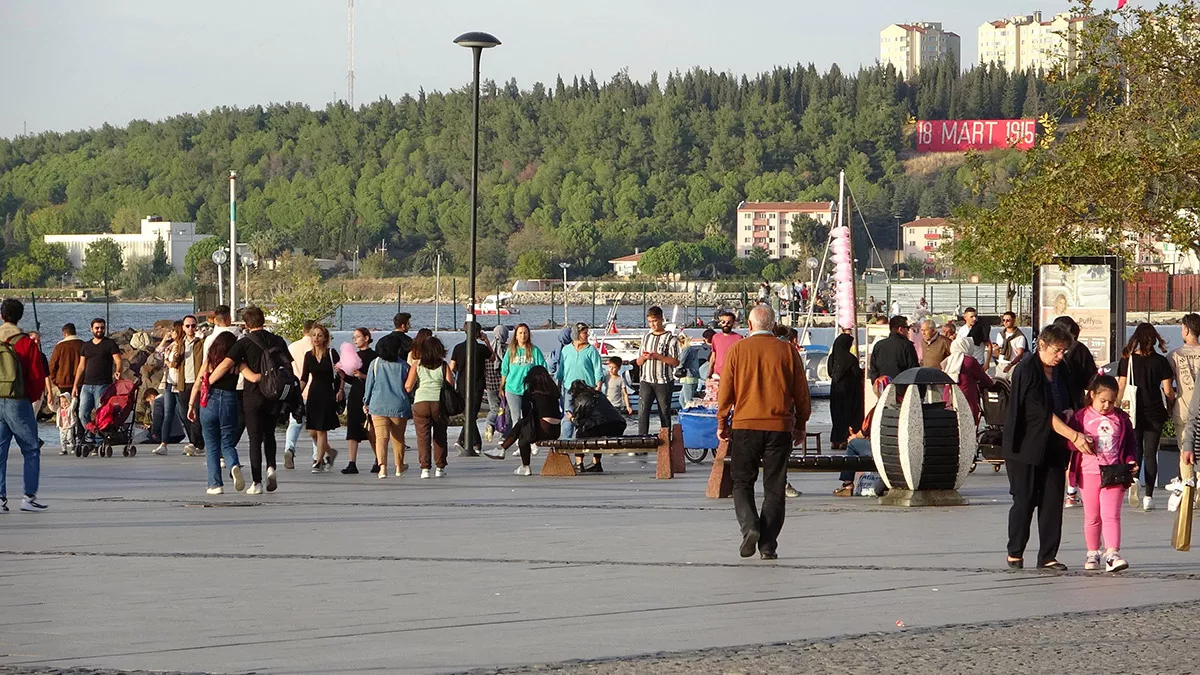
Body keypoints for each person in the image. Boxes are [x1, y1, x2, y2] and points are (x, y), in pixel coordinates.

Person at [717, 305, 810, 560]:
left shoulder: (738, 350)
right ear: (772, 324)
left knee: (742, 482)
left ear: (749, 325)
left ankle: (750, 527)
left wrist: (722, 421)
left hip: (745, 425)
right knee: (775, 486)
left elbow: (726, 390)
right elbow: (801, 392)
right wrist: (801, 424)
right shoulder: (787, 351)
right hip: (778, 427)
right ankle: (768, 545)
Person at [1003, 324, 1092, 571]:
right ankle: (1015, 551)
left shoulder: (1062, 369)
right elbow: (1039, 412)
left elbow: (1070, 398)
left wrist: (1072, 412)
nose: (1060, 355)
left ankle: (1048, 555)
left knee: (1053, 501)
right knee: (1025, 499)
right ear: (1041, 344)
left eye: (1064, 351)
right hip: (1026, 445)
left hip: (1054, 445)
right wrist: (1075, 435)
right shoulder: (1027, 369)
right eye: (1057, 350)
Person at [213, 306, 291, 494]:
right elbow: (288, 365)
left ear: (246, 324)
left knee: (255, 438)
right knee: (269, 433)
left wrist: (209, 380)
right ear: (263, 320)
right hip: (273, 394)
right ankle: (271, 467)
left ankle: (256, 483)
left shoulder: (244, 343)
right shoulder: (278, 340)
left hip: (253, 395)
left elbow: (227, 364)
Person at [1067, 375, 1136, 573]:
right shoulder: (1080, 417)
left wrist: (1131, 460)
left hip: (1114, 472)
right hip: (1088, 472)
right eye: (1102, 401)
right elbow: (1069, 442)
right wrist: (1079, 440)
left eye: (1111, 402)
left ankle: (1112, 553)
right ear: (1092, 396)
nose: (1106, 406)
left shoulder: (1121, 418)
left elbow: (1130, 443)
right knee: (1092, 516)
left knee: (1111, 515)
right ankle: (1092, 552)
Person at [1116, 323, 1176, 511]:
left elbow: (1121, 386)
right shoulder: (1161, 362)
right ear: (1154, 339)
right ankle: (1149, 497)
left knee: (1135, 451)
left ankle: (1134, 480)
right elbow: (1168, 391)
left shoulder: (1128, 360)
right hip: (1155, 412)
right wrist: (1171, 406)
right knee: (1151, 453)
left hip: (1133, 411)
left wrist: (1117, 408)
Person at [0, 299, 48, 512]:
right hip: (17, 400)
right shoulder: (25, 342)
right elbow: (37, 376)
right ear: (19, 316)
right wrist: (32, 397)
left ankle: (1, 498)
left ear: (2, 316)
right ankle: (28, 498)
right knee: (30, 449)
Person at [187, 331, 245, 495]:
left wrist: (191, 404)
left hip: (209, 401)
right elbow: (251, 376)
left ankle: (215, 484)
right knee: (227, 441)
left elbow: (199, 381)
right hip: (229, 400)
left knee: (211, 444)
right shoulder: (236, 362)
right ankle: (233, 464)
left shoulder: (210, 360)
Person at [363, 336, 412, 478]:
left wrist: (366, 402)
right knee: (398, 438)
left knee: (381, 438)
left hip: (378, 405)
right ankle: (399, 466)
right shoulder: (404, 366)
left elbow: (369, 385)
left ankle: (382, 468)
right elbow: (409, 387)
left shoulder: (375, 363)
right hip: (398, 405)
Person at [406, 333, 453, 479]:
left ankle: (425, 468)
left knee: (423, 437)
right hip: (439, 403)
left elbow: (408, 386)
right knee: (440, 435)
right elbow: (451, 384)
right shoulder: (443, 365)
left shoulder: (417, 365)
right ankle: (440, 467)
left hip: (421, 402)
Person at [72, 318, 121, 449]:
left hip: (103, 385)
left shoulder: (109, 344)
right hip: (86, 385)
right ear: (91, 329)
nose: (100, 330)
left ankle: (100, 441)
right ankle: (91, 435)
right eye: (97, 328)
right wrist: (76, 385)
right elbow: (81, 367)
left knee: (101, 415)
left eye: (102, 328)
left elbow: (118, 360)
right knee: (82, 413)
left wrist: (118, 371)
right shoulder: (86, 346)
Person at [301, 324, 343, 473]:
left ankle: (318, 461)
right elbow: (304, 377)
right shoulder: (308, 355)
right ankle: (330, 453)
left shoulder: (331, 353)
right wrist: (297, 394)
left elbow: (341, 373)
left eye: (319, 335)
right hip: (313, 393)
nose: (316, 338)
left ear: (325, 337)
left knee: (321, 429)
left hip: (327, 392)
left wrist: (341, 390)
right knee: (312, 431)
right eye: (314, 335)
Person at [499, 323, 546, 456]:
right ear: (516, 335)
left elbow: (542, 368)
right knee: (516, 418)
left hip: (529, 389)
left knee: (529, 417)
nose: (523, 335)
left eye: (525, 332)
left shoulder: (534, 350)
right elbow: (505, 370)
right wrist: (501, 386)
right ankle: (521, 444)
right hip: (512, 388)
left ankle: (532, 442)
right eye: (520, 333)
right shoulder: (511, 350)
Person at [450, 322, 493, 457]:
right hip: (477, 385)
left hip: (462, 385)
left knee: (469, 414)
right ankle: (470, 442)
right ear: (478, 332)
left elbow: (452, 366)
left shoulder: (458, 348)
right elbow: (492, 357)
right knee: (472, 414)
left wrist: (459, 372)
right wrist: (486, 340)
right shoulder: (481, 349)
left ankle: (468, 442)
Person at [636, 306, 680, 437]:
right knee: (643, 411)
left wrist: (658, 356)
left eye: (654, 321)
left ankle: (666, 439)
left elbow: (675, 361)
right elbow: (638, 362)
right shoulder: (646, 338)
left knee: (664, 411)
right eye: (650, 322)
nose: (652, 324)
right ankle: (641, 438)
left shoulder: (670, 339)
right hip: (646, 379)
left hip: (663, 381)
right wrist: (643, 357)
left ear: (661, 319)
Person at [555, 322, 603, 441]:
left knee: (585, 416)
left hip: (587, 389)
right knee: (568, 415)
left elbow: (597, 368)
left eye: (587, 333)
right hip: (569, 389)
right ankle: (566, 442)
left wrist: (598, 385)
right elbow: (561, 368)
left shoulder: (591, 350)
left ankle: (585, 440)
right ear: (577, 334)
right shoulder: (566, 350)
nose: (587, 335)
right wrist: (558, 383)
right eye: (584, 333)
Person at [569, 378, 627, 473]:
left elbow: (579, 423)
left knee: (580, 434)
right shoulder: (599, 394)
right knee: (597, 435)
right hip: (618, 424)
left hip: (602, 425)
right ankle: (596, 463)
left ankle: (579, 463)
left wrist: (571, 418)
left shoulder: (580, 399)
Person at [340, 328, 377, 473]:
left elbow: (376, 378)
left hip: (370, 396)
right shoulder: (354, 355)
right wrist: (342, 374)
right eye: (353, 337)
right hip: (355, 396)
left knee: (371, 429)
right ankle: (352, 462)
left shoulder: (374, 357)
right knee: (352, 429)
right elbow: (352, 380)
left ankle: (378, 460)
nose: (355, 340)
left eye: (358, 337)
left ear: (366, 338)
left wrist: (362, 375)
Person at [283, 319, 316, 470]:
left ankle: (289, 449)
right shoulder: (318, 348)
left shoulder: (292, 347)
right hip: (315, 390)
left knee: (295, 423)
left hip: (297, 390)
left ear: (303, 331)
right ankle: (317, 456)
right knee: (316, 426)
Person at [171, 315, 206, 457]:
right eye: (187, 326)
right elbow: (174, 365)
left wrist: (202, 338)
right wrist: (177, 356)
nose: (191, 329)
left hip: (197, 382)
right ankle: (195, 442)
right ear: (183, 328)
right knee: (185, 415)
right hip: (183, 382)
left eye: (193, 326)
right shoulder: (180, 343)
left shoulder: (201, 342)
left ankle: (196, 443)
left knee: (195, 413)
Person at [151, 320, 187, 456]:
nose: (170, 333)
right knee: (168, 414)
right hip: (169, 382)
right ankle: (163, 444)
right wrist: (164, 340)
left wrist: (168, 362)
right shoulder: (171, 346)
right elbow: (157, 355)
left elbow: (174, 364)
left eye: (172, 330)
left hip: (180, 383)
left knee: (184, 414)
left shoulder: (183, 346)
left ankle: (196, 442)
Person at [1168, 313, 1200, 457]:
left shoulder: (1174, 355)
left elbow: (1168, 386)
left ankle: (1187, 480)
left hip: (1183, 410)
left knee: (1185, 454)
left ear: (1186, 330)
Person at [942, 335, 993, 423]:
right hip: (966, 397)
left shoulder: (948, 360)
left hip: (949, 396)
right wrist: (990, 384)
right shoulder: (969, 361)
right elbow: (982, 377)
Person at [827, 333, 863, 450]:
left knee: (836, 415)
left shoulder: (832, 357)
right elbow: (857, 374)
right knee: (847, 414)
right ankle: (844, 439)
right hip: (849, 390)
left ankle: (835, 440)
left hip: (836, 389)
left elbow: (830, 372)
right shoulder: (850, 359)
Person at [867, 315, 919, 382]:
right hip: (902, 387)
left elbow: (873, 369)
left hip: (883, 387)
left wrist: (877, 384)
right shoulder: (907, 346)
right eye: (907, 328)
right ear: (900, 329)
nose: (908, 331)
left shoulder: (878, 345)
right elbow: (913, 370)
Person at [483, 325, 509, 444]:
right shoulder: (508, 349)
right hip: (504, 385)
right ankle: (503, 436)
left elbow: (483, 368)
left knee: (494, 408)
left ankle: (490, 423)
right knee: (505, 410)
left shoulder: (488, 349)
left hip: (490, 384)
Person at [47, 323, 83, 398]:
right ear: (75, 332)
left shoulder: (60, 346)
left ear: (64, 333)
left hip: (63, 382)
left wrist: (54, 380)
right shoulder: (83, 344)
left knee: (66, 406)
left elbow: (52, 365)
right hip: (81, 382)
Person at [992, 311, 1028, 378]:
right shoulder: (1000, 335)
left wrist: (1010, 365)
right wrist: (995, 349)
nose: (1005, 322)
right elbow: (998, 353)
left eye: (1008, 320)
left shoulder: (1019, 336)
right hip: (1001, 365)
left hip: (1013, 365)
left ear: (1014, 321)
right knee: (1000, 386)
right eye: (1003, 320)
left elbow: (1020, 354)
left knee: (1013, 387)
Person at [710, 311, 742, 378]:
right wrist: (709, 374)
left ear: (733, 323)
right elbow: (713, 356)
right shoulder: (715, 337)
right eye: (723, 322)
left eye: (728, 322)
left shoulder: (739, 338)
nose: (726, 324)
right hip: (717, 375)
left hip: (732, 374)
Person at [676, 333, 701, 405]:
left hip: (688, 377)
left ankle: (690, 413)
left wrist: (676, 368)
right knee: (682, 400)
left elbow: (681, 362)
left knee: (687, 401)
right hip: (692, 376)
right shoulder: (692, 349)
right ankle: (686, 413)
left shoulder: (686, 350)